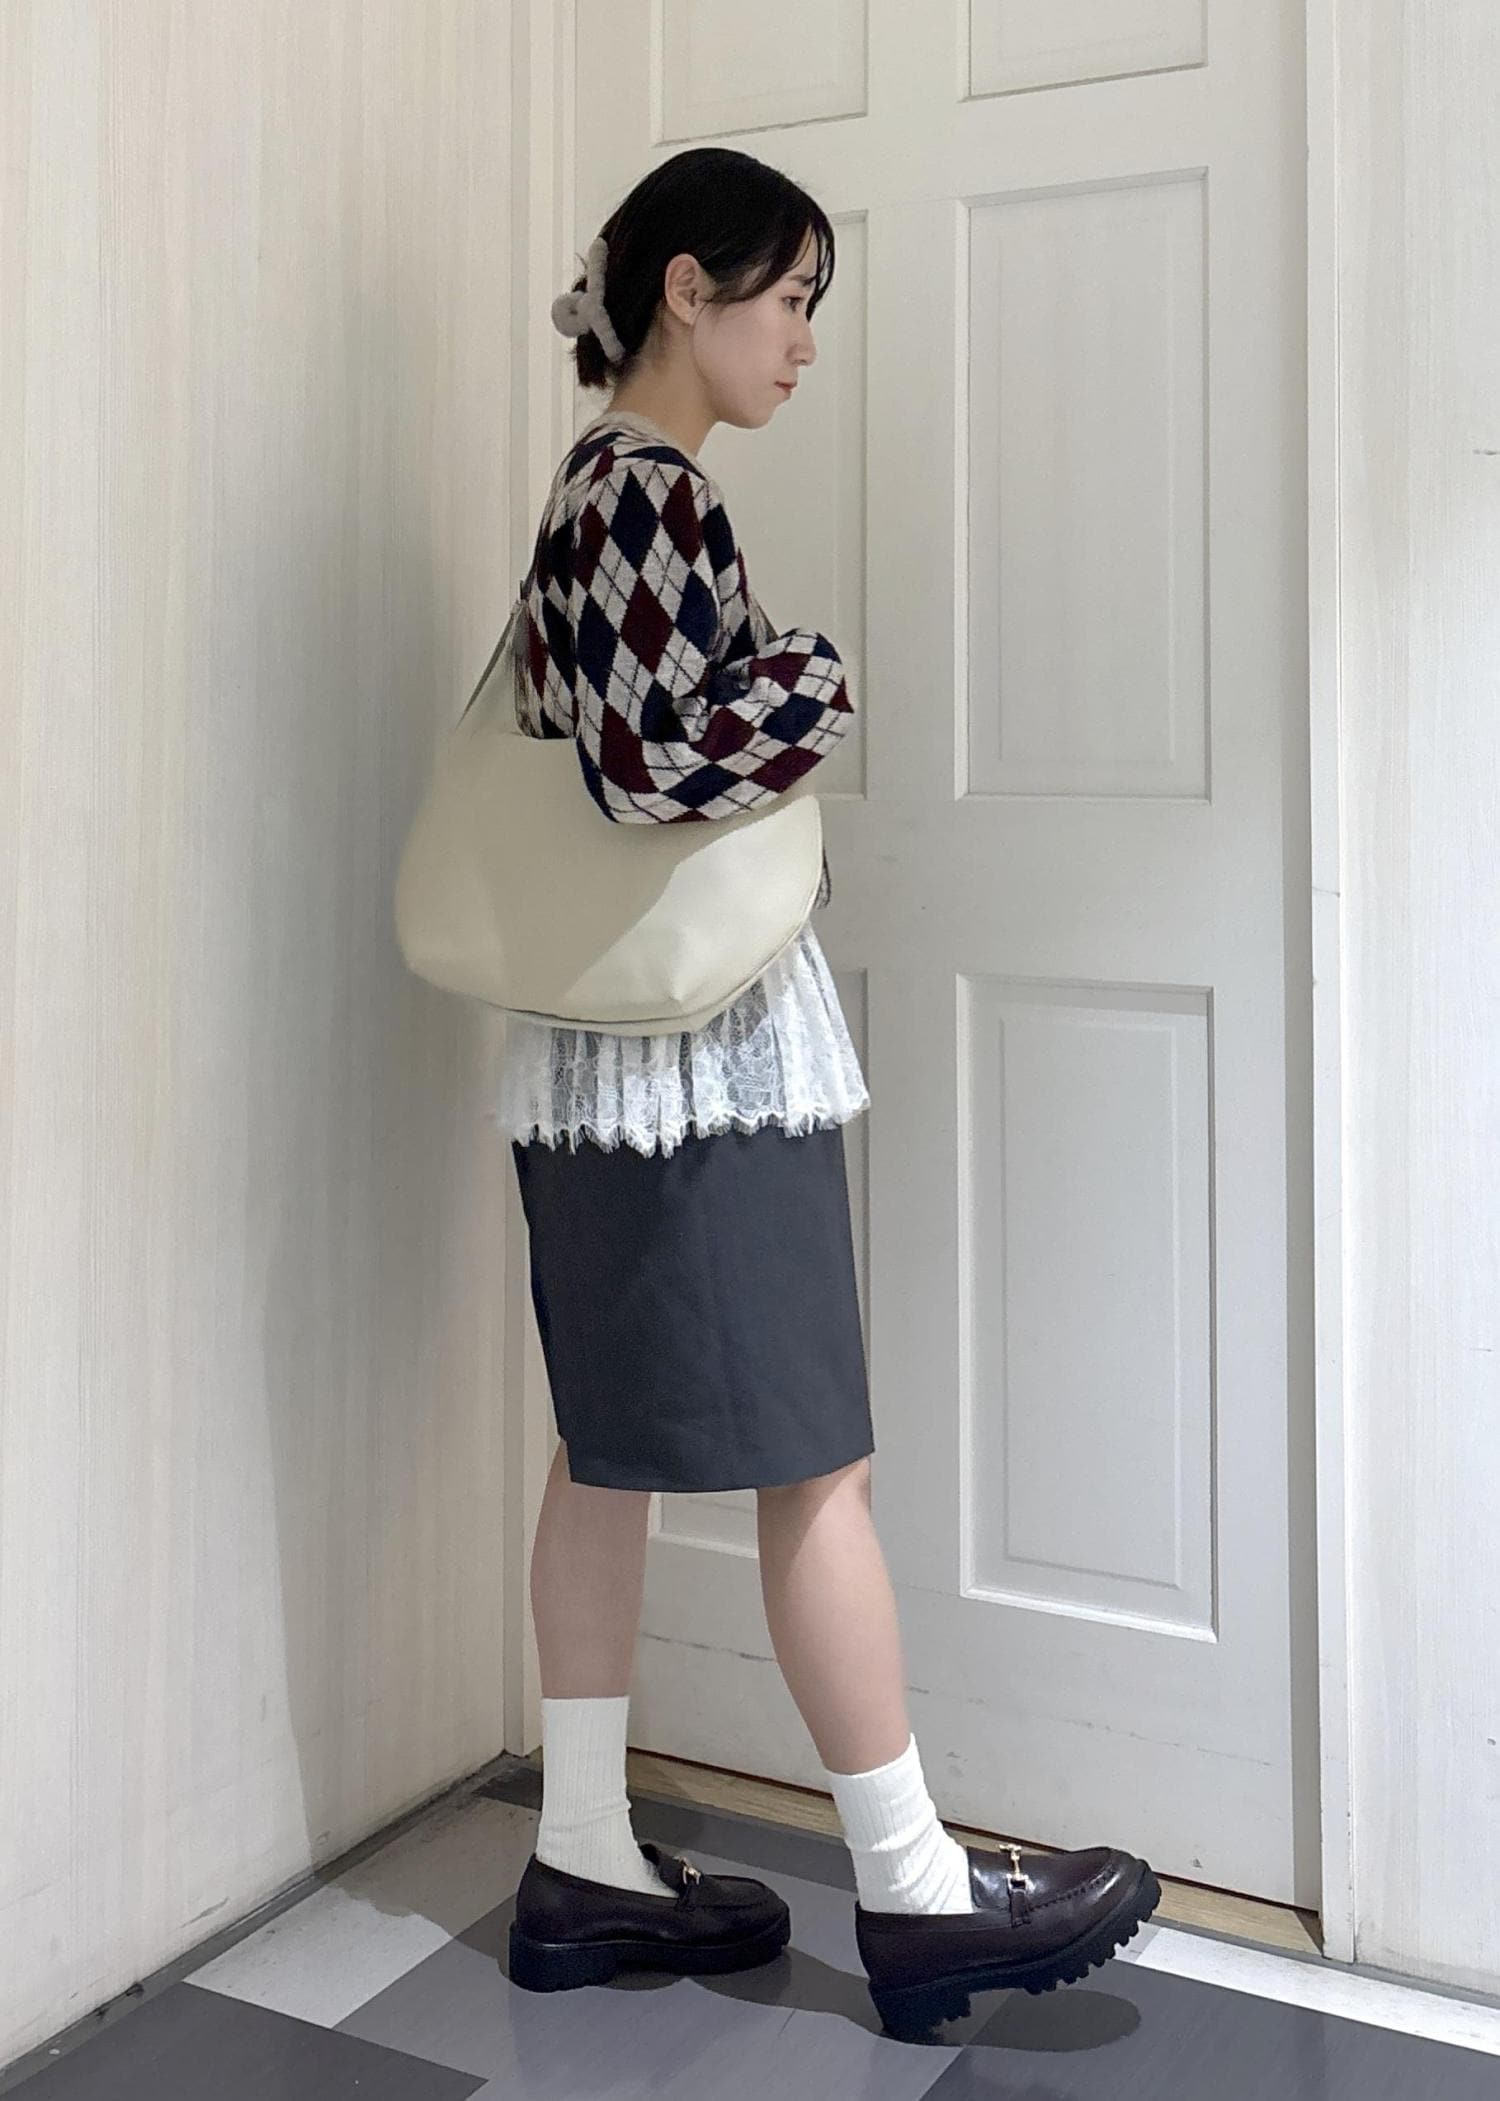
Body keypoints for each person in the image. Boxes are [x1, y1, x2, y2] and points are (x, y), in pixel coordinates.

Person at [496, 145, 1161, 2039]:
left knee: (609, 1445)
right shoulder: (649, 489)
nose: (802, 340)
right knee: (818, 1462)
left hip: (612, 1052)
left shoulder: (600, 487)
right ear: (685, 290)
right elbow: (648, 767)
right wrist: (814, 679)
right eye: (788, 299)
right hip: (696, 1056)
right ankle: (917, 1890)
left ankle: (584, 1855)